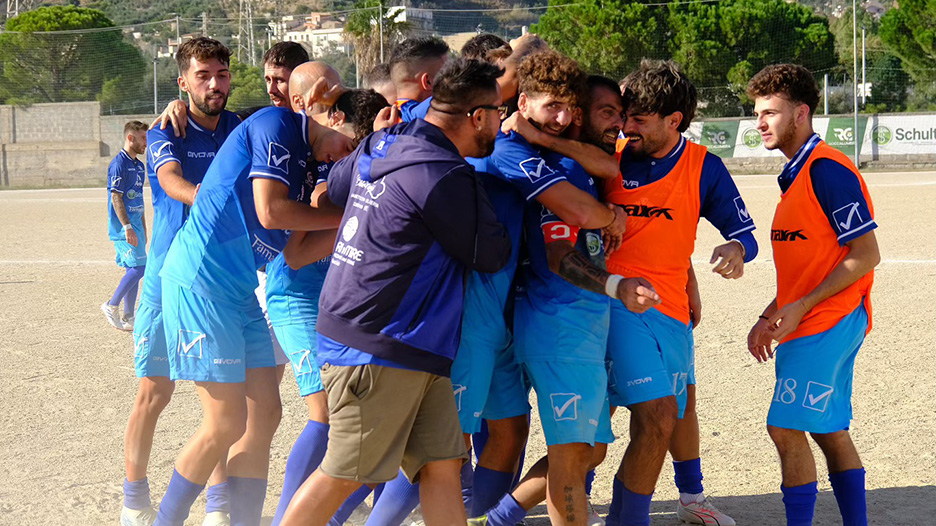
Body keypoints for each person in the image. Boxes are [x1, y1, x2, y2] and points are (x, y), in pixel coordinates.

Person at [278, 57, 512, 526]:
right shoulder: (444, 173)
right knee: (344, 473)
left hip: (411, 346)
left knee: (442, 467)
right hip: (378, 346)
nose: (501, 123)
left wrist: (376, 143)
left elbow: (337, 186)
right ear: (477, 117)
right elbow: (492, 253)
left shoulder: (384, 141)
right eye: (498, 113)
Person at [152, 74, 351, 526]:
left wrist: (356, 221)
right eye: (349, 145)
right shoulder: (276, 124)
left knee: (266, 414)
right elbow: (271, 211)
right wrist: (347, 216)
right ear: (331, 113)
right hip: (200, 282)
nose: (345, 156)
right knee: (224, 421)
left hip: (240, 291)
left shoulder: (307, 161)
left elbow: (296, 253)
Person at [601, 59, 757, 526]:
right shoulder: (608, 156)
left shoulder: (704, 166)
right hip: (613, 303)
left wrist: (735, 249)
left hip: (671, 311)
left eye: (638, 119)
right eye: (625, 116)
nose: (626, 127)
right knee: (635, 412)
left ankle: (691, 497)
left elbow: (745, 233)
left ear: (674, 120)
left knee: (678, 406)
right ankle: (582, 496)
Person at [746, 64, 878, 526]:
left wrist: (800, 306)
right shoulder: (797, 173)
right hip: (812, 319)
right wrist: (769, 314)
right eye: (757, 114)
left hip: (829, 320)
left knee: (784, 426)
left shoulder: (826, 170)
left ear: (801, 113)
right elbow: (807, 268)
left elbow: (866, 254)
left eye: (770, 113)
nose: (760, 123)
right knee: (827, 429)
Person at [122, 37, 243, 526]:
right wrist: (210, 200)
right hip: (164, 279)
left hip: (215, 285)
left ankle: (218, 503)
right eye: (202, 75)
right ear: (183, 82)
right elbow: (171, 181)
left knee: (220, 402)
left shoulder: (240, 128)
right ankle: (134, 500)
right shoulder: (165, 131)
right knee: (154, 395)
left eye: (221, 74)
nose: (214, 84)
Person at [267, 65, 388, 526]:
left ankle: (335, 516)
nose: (353, 153)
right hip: (295, 295)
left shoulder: (357, 151)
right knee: (325, 412)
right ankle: (285, 518)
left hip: (341, 300)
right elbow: (296, 254)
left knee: (368, 414)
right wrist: (351, 218)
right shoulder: (311, 151)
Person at [103, 120, 149, 332]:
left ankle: (129, 317)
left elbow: (138, 197)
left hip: (136, 226)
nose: (146, 143)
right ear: (130, 138)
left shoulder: (139, 166)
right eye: (143, 138)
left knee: (134, 269)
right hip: (123, 227)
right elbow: (116, 197)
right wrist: (128, 227)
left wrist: (143, 226)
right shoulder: (118, 164)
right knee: (140, 268)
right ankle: (111, 305)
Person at [389, 36, 449, 121]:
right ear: (428, 82)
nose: (453, 80)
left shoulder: (387, 121)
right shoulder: (426, 116)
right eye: (447, 74)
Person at [263, 41, 310, 108]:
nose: (270, 90)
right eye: (268, 80)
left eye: (279, 80)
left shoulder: (321, 113)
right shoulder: (258, 113)